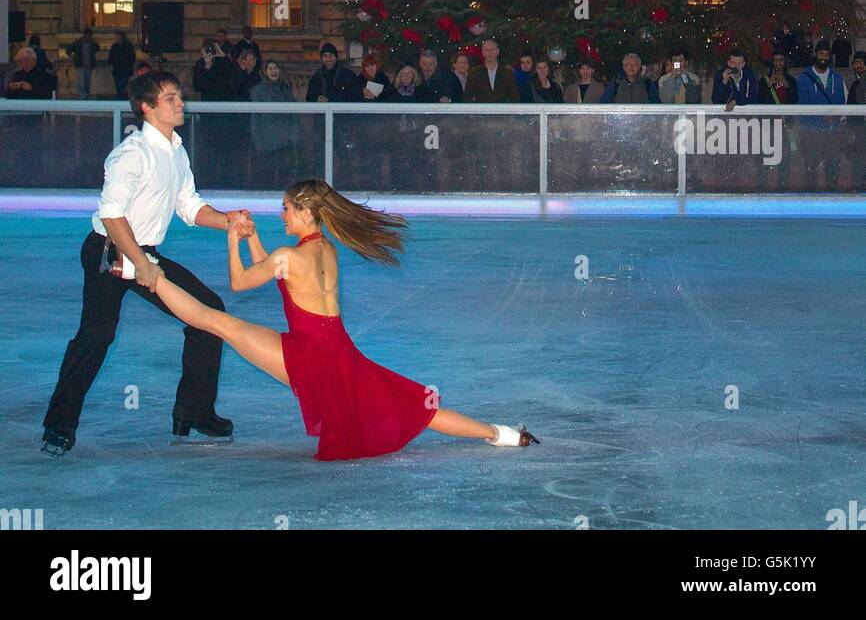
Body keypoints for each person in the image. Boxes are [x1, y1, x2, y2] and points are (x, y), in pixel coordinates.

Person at [149, 179, 539, 460]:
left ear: (304, 212)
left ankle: (142, 271)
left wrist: (232, 237)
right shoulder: (324, 251)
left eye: (286, 208)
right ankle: (502, 433)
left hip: (309, 356)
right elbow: (273, 268)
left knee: (217, 322)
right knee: (420, 409)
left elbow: (238, 282)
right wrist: (252, 238)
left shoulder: (289, 255)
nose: (281, 214)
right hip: (341, 354)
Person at [41, 70, 248, 456]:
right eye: (171, 98)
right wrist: (142, 264)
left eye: (179, 95)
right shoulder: (131, 154)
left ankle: (194, 413)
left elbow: (188, 206)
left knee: (208, 314)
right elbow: (112, 215)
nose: (180, 102)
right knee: (96, 335)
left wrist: (227, 220)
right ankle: (58, 424)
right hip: (109, 251)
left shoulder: (177, 151)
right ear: (148, 107)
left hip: (143, 250)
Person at [465, 39, 520, 103]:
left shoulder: (508, 73)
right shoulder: (474, 73)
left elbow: (515, 97)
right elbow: (467, 97)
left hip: (502, 111)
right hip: (481, 112)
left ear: (497, 52)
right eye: (487, 50)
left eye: (492, 49)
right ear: (483, 53)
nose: (490, 52)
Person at [796, 39, 846, 105]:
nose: (824, 58)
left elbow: (841, 102)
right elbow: (804, 105)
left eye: (827, 54)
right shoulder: (804, 78)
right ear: (815, 54)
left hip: (835, 115)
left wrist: (834, 115)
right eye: (821, 54)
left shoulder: (837, 78)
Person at [67, 27, 100, 99]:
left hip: (89, 65)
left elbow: (98, 48)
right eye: (88, 35)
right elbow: (69, 50)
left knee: (87, 82)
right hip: (80, 65)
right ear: (84, 35)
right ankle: (83, 96)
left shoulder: (92, 43)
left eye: (90, 35)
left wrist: (94, 42)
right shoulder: (78, 42)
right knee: (81, 82)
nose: (89, 37)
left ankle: (86, 96)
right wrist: (72, 57)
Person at [107, 30, 136, 99]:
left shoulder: (128, 46)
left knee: (124, 87)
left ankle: (122, 99)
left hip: (125, 70)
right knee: (119, 87)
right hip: (118, 70)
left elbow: (132, 57)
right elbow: (111, 58)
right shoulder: (115, 46)